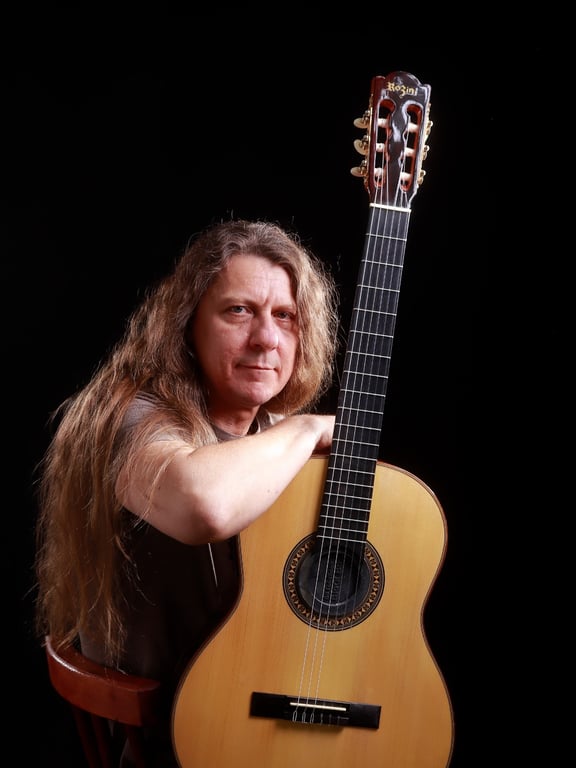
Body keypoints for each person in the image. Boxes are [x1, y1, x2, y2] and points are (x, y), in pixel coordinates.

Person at [34, 218, 340, 767]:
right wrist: (306, 428)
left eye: (285, 316)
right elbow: (206, 506)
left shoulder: (267, 436)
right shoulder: (128, 418)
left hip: (261, 714)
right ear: (186, 325)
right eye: (238, 311)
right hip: (176, 743)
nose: (266, 338)